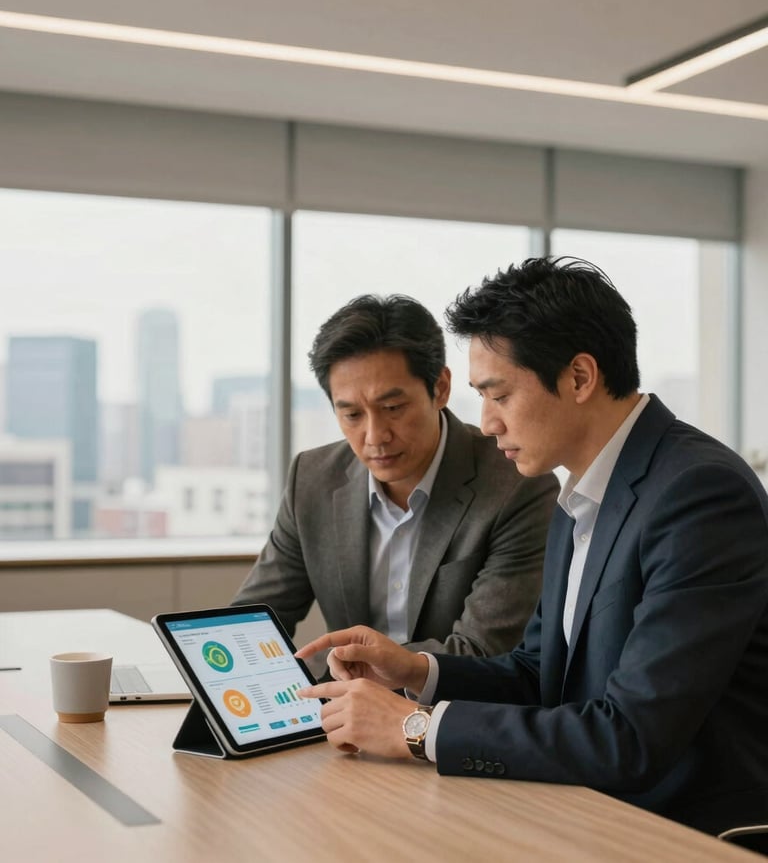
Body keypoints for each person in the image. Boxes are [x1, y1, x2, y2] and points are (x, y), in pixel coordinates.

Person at [297, 258, 768, 841]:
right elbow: (536, 675)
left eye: (499, 395)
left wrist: (417, 729)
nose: (486, 423)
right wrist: (415, 671)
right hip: (590, 812)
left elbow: (632, 737)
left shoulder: (698, 493)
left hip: (683, 832)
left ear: (579, 377)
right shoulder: (584, 493)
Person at [232, 293, 559, 676]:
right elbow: (250, 625)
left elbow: (482, 649)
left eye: (392, 409)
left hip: (457, 720)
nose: (375, 436)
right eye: (352, 414)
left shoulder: (516, 485)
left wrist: (336, 668)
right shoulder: (313, 478)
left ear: (440, 388)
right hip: (343, 720)